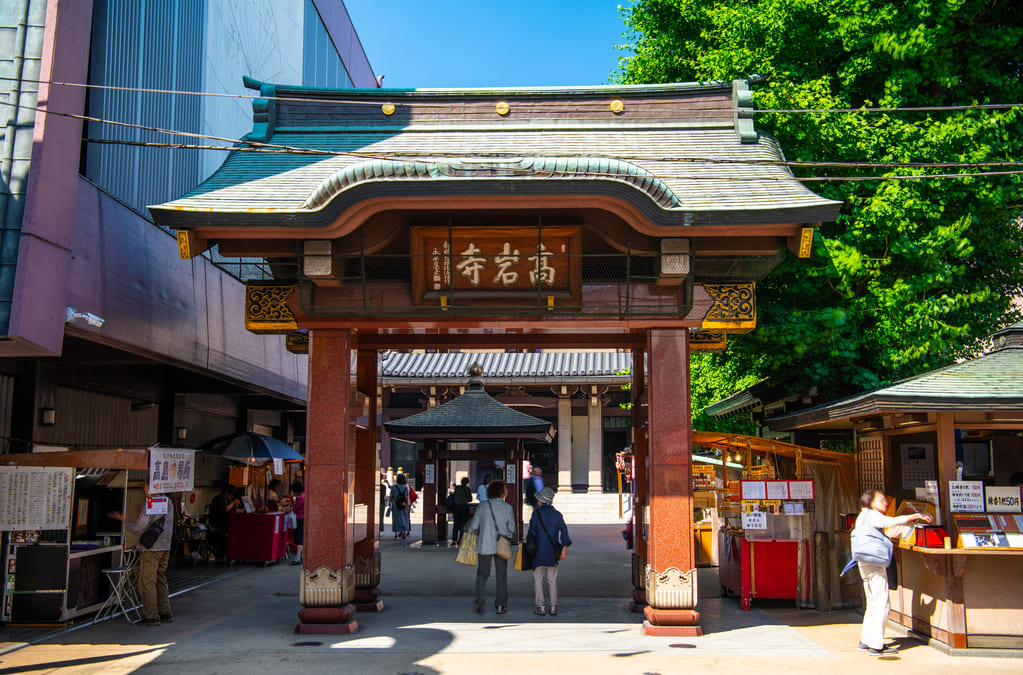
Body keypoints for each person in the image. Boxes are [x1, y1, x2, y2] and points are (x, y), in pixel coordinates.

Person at [854, 490, 931, 655]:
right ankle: (877, 644)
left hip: (863, 563)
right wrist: (917, 516)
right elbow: (892, 521)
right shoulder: (873, 515)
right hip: (874, 564)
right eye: (880, 500)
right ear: (871, 502)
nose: (885, 503)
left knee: (872, 602)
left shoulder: (862, 516)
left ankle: (866, 639)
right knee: (882, 603)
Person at [110, 483, 173, 626]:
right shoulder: (168, 501)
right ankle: (165, 612)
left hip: (151, 548)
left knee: (146, 582)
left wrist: (123, 519)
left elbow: (139, 527)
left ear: (150, 486)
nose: (145, 491)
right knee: (160, 578)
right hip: (165, 546)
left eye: (145, 488)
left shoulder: (151, 502)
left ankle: (152, 616)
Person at [467, 479, 516, 615]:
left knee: (482, 574)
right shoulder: (507, 508)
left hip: (484, 544)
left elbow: (474, 526)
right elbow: (512, 528)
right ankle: (501, 604)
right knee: (501, 575)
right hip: (501, 543)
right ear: (502, 492)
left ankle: (480, 598)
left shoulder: (482, 506)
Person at [528, 487, 571, 616]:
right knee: (552, 579)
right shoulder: (557, 514)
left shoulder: (536, 514)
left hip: (538, 551)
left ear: (541, 500)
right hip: (552, 552)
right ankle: (553, 606)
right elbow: (564, 532)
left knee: (538, 578)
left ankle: (540, 606)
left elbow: (532, 532)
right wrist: (564, 549)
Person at [207, 484, 241, 559]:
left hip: (223, 524)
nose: (231, 497)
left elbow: (230, 509)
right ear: (226, 493)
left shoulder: (225, 500)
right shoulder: (219, 499)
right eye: (231, 495)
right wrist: (233, 503)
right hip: (218, 525)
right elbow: (225, 509)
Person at [451, 477, 473, 544]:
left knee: (456, 523)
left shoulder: (457, 488)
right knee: (463, 524)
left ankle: (454, 540)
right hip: (464, 507)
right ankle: (461, 539)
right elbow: (470, 499)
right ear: (467, 483)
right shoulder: (467, 489)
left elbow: (454, 496)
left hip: (456, 507)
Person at [390, 473, 412, 539]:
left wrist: (390, 504)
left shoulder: (393, 487)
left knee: (396, 518)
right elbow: (407, 497)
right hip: (404, 505)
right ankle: (404, 532)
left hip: (395, 504)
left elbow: (391, 496)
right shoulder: (406, 487)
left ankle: (396, 533)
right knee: (404, 518)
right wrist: (408, 506)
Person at [289, 481, 306, 565]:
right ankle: (302, 556)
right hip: (304, 518)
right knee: (303, 536)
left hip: (300, 518)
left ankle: (298, 557)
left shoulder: (301, 498)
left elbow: (295, 509)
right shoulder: (306, 496)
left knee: (299, 537)